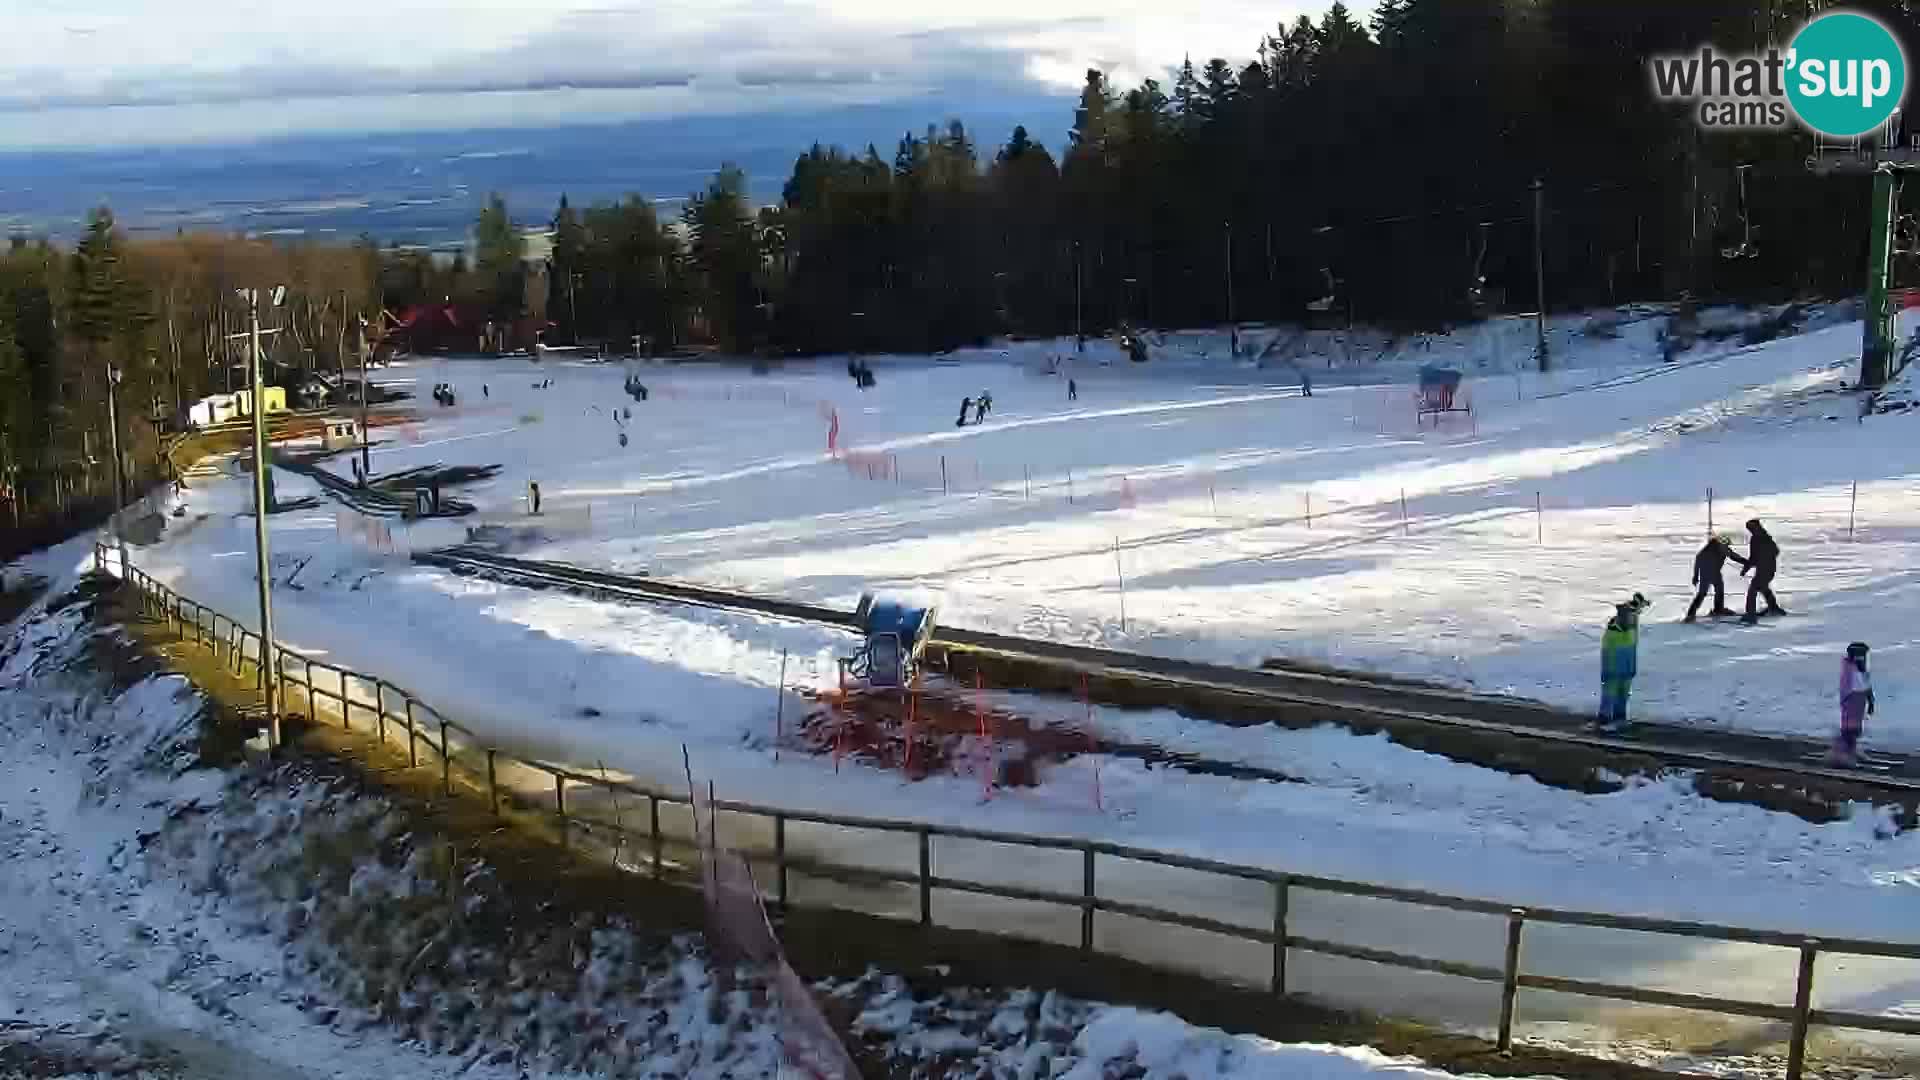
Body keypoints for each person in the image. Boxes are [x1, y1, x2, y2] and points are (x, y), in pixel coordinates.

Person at [1596, 593, 1649, 732]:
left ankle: (1619, 717)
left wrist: (1638, 604)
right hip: (1614, 668)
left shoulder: (1630, 625)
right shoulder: (1614, 630)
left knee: (1623, 693)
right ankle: (1605, 718)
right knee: (1610, 691)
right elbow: (1609, 652)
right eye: (1633, 615)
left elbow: (1634, 614)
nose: (1634, 618)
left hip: (1627, 667)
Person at [1684, 534, 1745, 622]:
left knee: (1709, 591)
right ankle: (1717, 610)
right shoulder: (1721, 547)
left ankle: (1691, 614)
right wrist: (1746, 562)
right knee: (1711, 591)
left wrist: (1696, 575)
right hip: (1711, 573)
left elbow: (1698, 561)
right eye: (1727, 544)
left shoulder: (1705, 550)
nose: (1727, 546)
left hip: (1708, 573)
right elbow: (1733, 556)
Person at [1833, 642, 1876, 766]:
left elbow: (1866, 684)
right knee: (1848, 729)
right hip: (1851, 702)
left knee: (1855, 728)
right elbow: (1851, 687)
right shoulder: (1849, 670)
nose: (1866, 658)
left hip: (1858, 702)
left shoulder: (1859, 668)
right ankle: (1841, 754)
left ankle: (1851, 750)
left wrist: (1870, 700)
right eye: (1863, 655)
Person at [1739, 518, 1784, 623]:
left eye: (1750, 528)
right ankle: (1773, 608)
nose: (1749, 530)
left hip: (1765, 570)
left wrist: (1761, 560)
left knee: (1753, 589)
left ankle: (1751, 615)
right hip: (1767, 569)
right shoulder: (1764, 537)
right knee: (1763, 587)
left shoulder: (1759, 539)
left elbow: (1756, 557)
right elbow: (1773, 552)